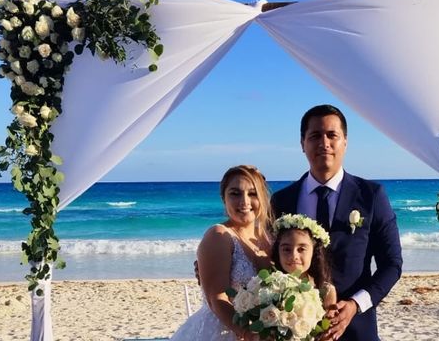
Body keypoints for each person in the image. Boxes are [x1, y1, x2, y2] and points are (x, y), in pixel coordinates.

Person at [271, 104, 403, 341]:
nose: (324, 143)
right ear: (302, 144)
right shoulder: (282, 200)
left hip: (357, 328)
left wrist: (355, 304)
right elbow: (264, 254)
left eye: (332, 135)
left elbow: (391, 264)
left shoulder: (371, 196)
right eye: (315, 136)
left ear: (345, 141)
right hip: (295, 330)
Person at [171, 165, 273, 341]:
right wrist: (247, 333)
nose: (244, 202)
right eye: (235, 193)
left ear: (263, 198)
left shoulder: (269, 237)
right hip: (225, 331)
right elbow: (216, 298)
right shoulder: (219, 236)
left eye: (252, 193)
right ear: (223, 198)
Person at [271, 213, 337, 310]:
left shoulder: (326, 291)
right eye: (286, 249)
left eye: (301, 249)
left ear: (314, 252)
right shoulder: (270, 286)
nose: (294, 256)